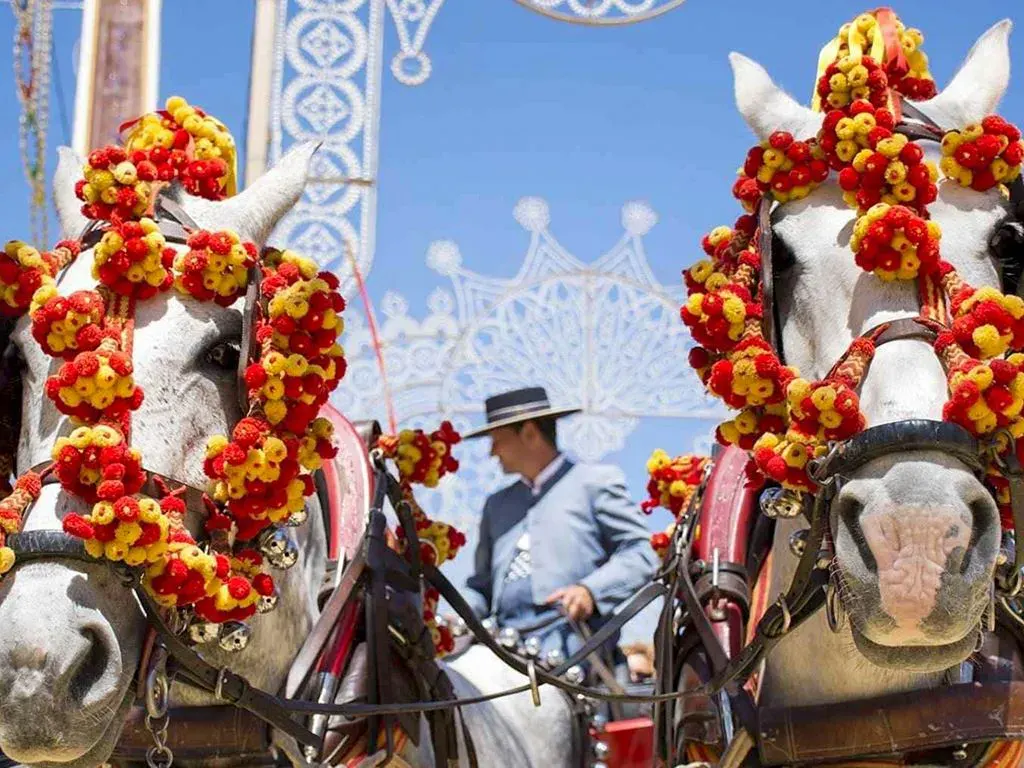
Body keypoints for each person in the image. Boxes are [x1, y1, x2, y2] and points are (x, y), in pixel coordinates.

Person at [461, 386, 659, 681]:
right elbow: (481, 586)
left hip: (576, 650)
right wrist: (454, 617)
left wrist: (590, 590)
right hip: (502, 650)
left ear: (529, 432)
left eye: (497, 441)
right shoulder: (497, 505)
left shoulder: (594, 482)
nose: (491, 452)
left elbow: (642, 552)